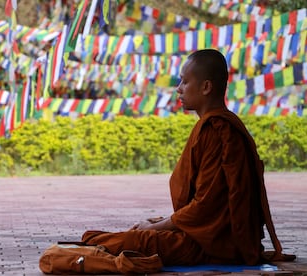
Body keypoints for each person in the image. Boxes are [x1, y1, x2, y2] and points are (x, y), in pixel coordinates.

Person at [80, 49, 295, 266]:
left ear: (206, 87)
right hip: (205, 232)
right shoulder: (214, 125)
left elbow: (205, 207)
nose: (178, 89)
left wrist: (156, 227)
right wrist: (160, 222)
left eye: (184, 82)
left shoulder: (218, 130)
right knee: (116, 236)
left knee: (110, 240)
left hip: (214, 243)